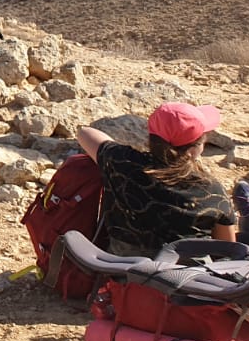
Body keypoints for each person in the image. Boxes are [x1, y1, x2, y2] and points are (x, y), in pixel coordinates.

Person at [78, 103, 237, 256]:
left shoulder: (122, 163)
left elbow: (84, 132)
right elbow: (229, 251)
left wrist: (119, 149)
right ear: (193, 149)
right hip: (185, 279)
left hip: (122, 272)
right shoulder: (212, 191)